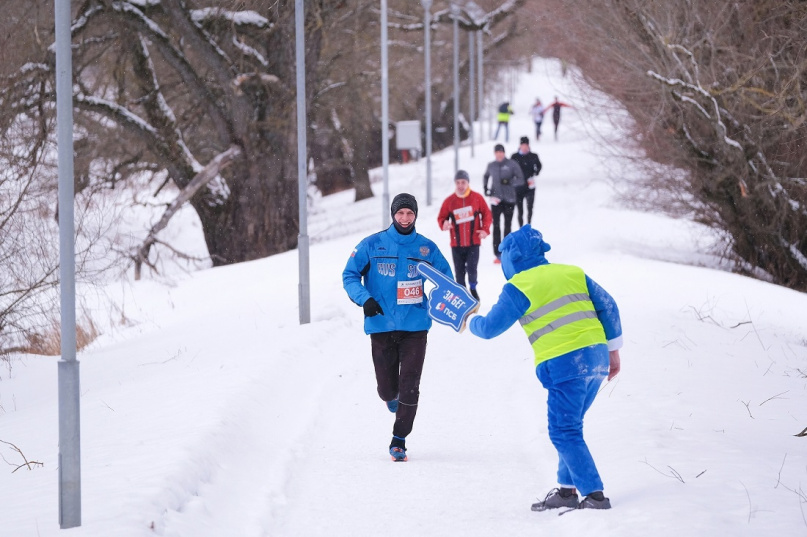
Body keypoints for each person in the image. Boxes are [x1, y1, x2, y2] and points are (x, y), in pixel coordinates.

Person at [467, 225, 622, 511]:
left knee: (563, 431)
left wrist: (469, 320)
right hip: (597, 359)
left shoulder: (519, 286)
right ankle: (566, 491)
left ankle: (594, 495)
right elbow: (609, 306)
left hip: (565, 364)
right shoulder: (571, 272)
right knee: (571, 427)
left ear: (513, 257)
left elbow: (489, 328)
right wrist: (613, 352)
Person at [342, 193, 453, 462]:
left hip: (415, 326)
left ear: (415, 215)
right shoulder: (373, 244)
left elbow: (446, 281)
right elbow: (350, 275)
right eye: (400, 213)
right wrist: (364, 299)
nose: (405, 218)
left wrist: (444, 304)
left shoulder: (426, 249)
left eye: (410, 214)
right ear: (393, 214)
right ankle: (391, 398)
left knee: (410, 385)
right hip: (381, 324)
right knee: (387, 389)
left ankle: (399, 439)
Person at [437, 169, 493, 301]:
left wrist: (485, 229)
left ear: (468, 183)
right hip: (456, 243)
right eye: (458, 182)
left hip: (473, 242)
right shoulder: (450, 201)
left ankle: (473, 288)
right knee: (459, 272)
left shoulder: (477, 198)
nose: (460, 185)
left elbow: (487, 214)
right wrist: (444, 224)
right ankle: (462, 295)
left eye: (463, 182)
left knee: (472, 269)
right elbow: (441, 217)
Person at [483, 144, 524, 264]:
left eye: (501, 152)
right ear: (495, 153)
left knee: (507, 226)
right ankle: (497, 253)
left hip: (509, 199)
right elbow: (486, 176)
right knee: (496, 226)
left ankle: (506, 251)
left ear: (504, 153)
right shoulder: (491, 165)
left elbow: (521, 179)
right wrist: (486, 188)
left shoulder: (511, 164)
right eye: (497, 152)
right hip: (496, 199)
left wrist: (510, 182)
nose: (499, 154)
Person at [511, 136, 542, 228]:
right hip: (518, 187)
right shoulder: (514, 157)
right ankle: (521, 227)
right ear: (520, 146)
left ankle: (528, 225)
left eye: (526, 145)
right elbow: (510, 169)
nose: (524, 147)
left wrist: (536, 172)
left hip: (530, 186)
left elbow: (539, 166)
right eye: (523, 145)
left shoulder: (533, 156)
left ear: (528, 146)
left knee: (530, 207)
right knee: (520, 209)